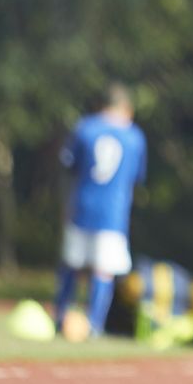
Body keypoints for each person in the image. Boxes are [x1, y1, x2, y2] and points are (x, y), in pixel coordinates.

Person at [54, 83, 147, 337]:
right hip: (113, 213)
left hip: (81, 206)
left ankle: (60, 317)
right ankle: (94, 324)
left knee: (71, 265)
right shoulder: (135, 136)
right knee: (103, 270)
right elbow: (136, 178)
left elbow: (69, 167)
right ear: (126, 108)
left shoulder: (85, 127)